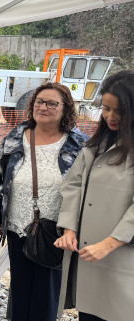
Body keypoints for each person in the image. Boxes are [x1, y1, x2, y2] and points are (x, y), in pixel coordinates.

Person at [0, 82, 87, 321]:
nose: (44, 107)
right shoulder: (14, 137)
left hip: (56, 231)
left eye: (52, 103)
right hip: (17, 226)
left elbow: (85, 188)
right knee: (20, 289)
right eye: (39, 102)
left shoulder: (78, 144)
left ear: (65, 109)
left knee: (47, 292)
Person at [54, 70, 134, 321]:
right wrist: (69, 229)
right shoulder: (95, 145)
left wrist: (109, 243)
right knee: (88, 312)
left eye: (119, 111)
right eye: (106, 108)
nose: (110, 116)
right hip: (89, 255)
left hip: (121, 256)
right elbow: (73, 185)